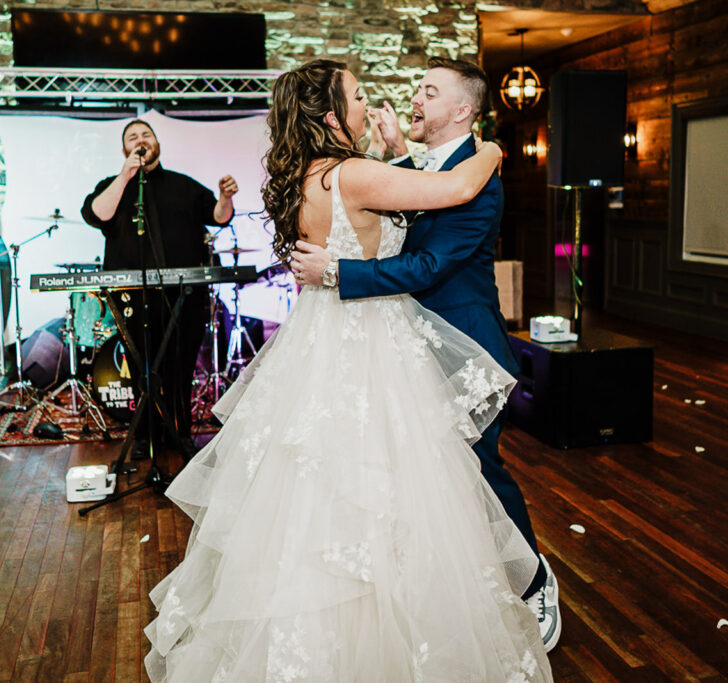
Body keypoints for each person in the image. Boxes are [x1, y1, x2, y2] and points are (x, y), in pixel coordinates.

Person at [144, 59, 552, 680]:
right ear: (332, 116)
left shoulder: (311, 174)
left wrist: (395, 160)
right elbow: (453, 190)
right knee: (405, 485)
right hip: (374, 344)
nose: (372, 103)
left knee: (324, 491)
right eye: (358, 96)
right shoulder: (355, 173)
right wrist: (494, 149)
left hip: (327, 340)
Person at [291, 56, 561, 651]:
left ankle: (534, 579)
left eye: (429, 91)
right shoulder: (408, 168)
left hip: (466, 347)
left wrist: (339, 272)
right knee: (421, 481)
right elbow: (398, 201)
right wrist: (398, 154)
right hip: (400, 348)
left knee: (479, 472)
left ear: (462, 110)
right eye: (418, 88)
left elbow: (429, 264)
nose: (414, 98)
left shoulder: (478, 178)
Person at [81, 119, 238, 450]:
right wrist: (125, 175)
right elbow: (97, 215)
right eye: (132, 137)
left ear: (157, 143)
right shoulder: (112, 186)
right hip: (131, 296)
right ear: (124, 149)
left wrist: (225, 198)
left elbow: (218, 216)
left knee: (180, 366)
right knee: (141, 367)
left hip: (184, 296)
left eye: (146, 135)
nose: (140, 140)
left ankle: (180, 432)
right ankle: (145, 435)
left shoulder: (183, 186)